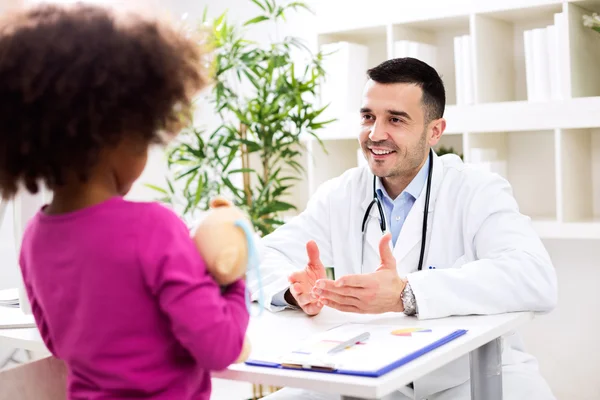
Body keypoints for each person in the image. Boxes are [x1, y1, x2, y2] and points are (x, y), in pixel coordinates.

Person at [250, 58, 557, 399]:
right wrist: (294, 290)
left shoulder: (476, 190)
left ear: (435, 131)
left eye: (395, 119)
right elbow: (260, 256)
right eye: (368, 117)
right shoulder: (342, 193)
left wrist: (406, 293)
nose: (375, 134)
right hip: (372, 379)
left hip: (469, 379)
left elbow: (534, 276)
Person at [0, 4, 249, 400]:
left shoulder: (34, 239)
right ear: (117, 135)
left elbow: (59, 346)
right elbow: (219, 349)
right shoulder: (153, 228)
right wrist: (232, 278)